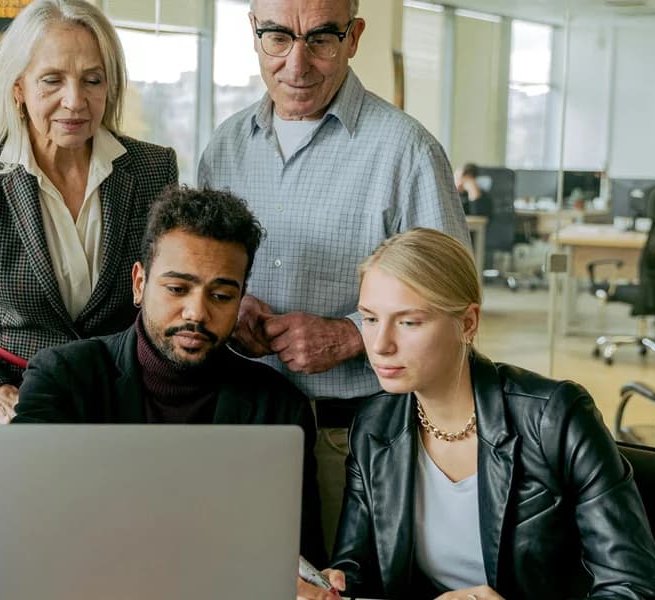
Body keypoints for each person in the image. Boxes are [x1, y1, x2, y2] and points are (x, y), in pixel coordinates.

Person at [197, 0, 471, 550]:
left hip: (351, 439)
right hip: (240, 430)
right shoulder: (223, 148)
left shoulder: (407, 151)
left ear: (354, 36)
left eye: (321, 38)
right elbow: (201, 274)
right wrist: (229, 303)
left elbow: (455, 309)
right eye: (277, 37)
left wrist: (350, 335)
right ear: (253, 32)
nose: (297, 65)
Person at [296, 228, 655, 600]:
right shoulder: (375, 426)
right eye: (370, 319)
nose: (379, 344)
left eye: (408, 322)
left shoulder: (555, 418)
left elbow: (635, 589)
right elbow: (358, 568)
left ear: (468, 323)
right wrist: (334, 585)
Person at [0, 0, 179, 445]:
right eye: (52, 80)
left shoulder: (153, 169)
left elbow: (161, 296)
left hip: (119, 410)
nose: (75, 101)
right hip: (9, 414)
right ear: (18, 87)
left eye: (92, 80)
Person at [13, 186, 326, 565]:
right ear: (140, 283)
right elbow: (30, 531)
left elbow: (299, 558)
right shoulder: (61, 379)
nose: (196, 312)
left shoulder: (277, 408)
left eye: (222, 296)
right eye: (178, 288)